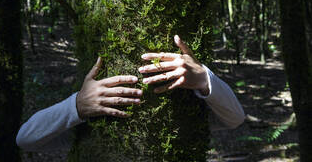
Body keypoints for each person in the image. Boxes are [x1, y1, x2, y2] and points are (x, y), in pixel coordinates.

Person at [16, 35, 245, 153]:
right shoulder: (94, 115)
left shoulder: (187, 106)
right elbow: (26, 139)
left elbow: (235, 118)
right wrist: (77, 105)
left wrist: (205, 78)